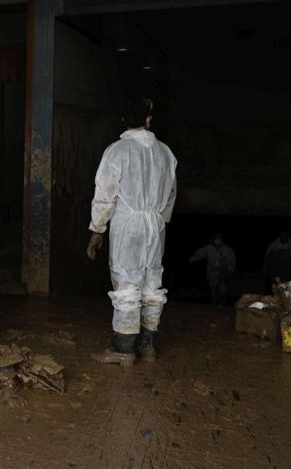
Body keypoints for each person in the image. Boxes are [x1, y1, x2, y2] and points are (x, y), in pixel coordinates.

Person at [86, 97, 177, 365]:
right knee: (152, 283)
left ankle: (124, 349)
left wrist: (97, 229)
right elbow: (171, 193)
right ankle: (148, 346)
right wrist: (160, 220)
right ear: (148, 120)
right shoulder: (165, 152)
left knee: (126, 283)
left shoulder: (117, 151)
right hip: (155, 224)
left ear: (124, 121)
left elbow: (105, 194)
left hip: (128, 225)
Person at [189, 233, 236, 305]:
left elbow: (231, 259)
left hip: (222, 272)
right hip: (211, 272)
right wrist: (193, 259)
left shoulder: (227, 249)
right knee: (213, 289)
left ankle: (222, 302)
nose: (217, 241)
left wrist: (230, 268)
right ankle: (214, 303)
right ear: (213, 240)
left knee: (222, 288)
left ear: (222, 240)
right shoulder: (209, 248)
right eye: (216, 239)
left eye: (219, 239)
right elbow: (200, 253)